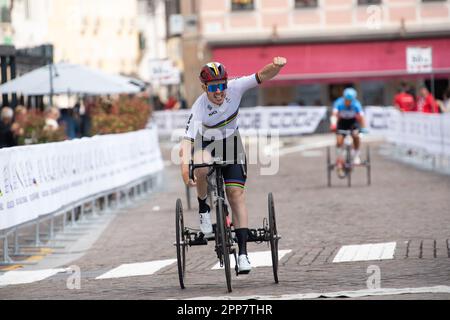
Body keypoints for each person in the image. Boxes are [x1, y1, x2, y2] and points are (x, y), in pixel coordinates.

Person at [179, 57, 287, 274]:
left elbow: (261, 75)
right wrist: (184, 166)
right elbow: (187, 139)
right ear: (204, 88)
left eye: (222, 86)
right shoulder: (199, 105)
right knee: (199, 165)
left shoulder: (236, 88)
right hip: (207, 143)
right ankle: (204, 210)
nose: (219, 92)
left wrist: (276, 66)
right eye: (213, 88)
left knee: (235, 194)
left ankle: (244, 254)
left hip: (231, 143)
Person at [330, 88, 368, 172]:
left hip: (353, 123)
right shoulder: (338, 103)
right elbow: (334, 114)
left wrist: (364, 127)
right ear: (344, 98)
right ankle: (340, 158)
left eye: (350, 100)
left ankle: (356, 156)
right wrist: (333, 124)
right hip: (342, 123)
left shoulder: (356, 104)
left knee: (356, 136)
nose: (348, 102)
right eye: (347, 100)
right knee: (339, 141)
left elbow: (361, 117)